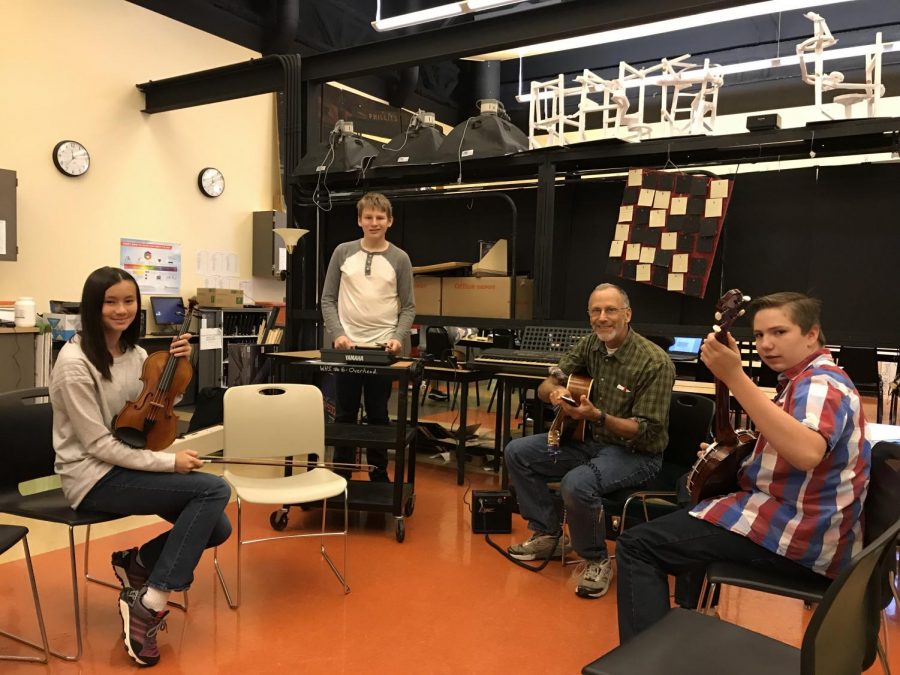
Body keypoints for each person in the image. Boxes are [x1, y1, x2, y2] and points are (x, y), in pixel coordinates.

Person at [615, 292, 871, 642]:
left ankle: (645, 661)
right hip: (801, 521)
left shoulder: (821, 384)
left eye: (779, 333)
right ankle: (685, 618)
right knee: (690, 492)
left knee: (636, 546)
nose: (766, 344)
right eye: (760, 335)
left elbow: (807, 452)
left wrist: (735, 377)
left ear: (812, 334)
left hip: (800, 535)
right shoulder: (803, 379)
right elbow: (788, 443)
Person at [50, 267, 232, 667]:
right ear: (93, 306)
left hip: (124, 463)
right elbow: (98, 445)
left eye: (128, 300)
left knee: (217, 526)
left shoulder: (137, 356)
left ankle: (140, 563)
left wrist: (180, 365)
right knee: (214, 490)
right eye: (110, 301)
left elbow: (148, 415)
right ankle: (149, 602)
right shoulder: (74, 363)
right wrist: (169, 463)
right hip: (89, 475)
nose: (122, 309)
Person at [505, 283, 675, 598]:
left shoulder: (654, 361)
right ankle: (548, 534)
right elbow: (547, 384)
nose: (602, 318)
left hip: (636, 453)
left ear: (628, 314)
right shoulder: (589, 346)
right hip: (590, 442)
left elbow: (647, 431)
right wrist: (553, 392)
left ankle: (596, 559)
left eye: (610, 310)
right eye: (595, 311)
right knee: (518, 451)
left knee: (576, 484)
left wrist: (597, 416)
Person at [321, 192, 416, 482]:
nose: (374, 222)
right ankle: (342, 475)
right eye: (368, 217)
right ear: (359, 220)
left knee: (378, 415)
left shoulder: (400, 258)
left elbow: (409, 306)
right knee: (345, 414)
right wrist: (338, 334)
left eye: (379, 217)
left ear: (389, 221)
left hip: (382, 351)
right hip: (348, 348)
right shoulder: (342, 252)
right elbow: (327, 299)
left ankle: (378, 475)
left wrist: (398, 338)